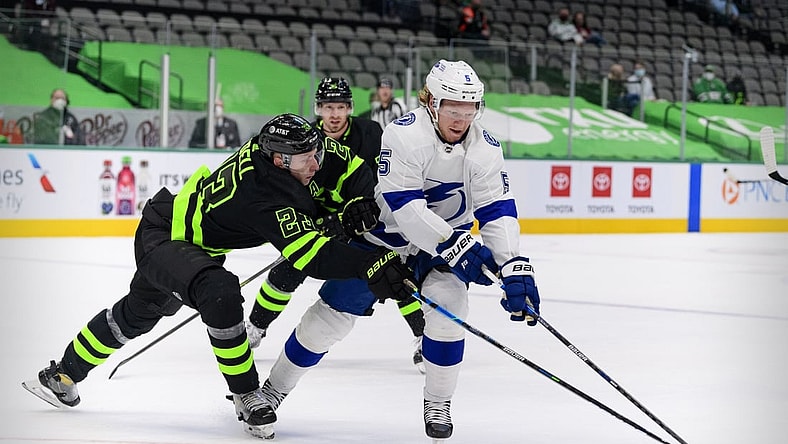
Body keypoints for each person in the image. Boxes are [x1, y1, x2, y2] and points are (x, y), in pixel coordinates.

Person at [22, 113, 416, 440]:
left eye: (316, 153)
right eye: (307, 160)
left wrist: (359, 199)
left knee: (136, 314)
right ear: (279, 161)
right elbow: (310, 256)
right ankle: (247, 394)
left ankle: (61, 375)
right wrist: (367, 261)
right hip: (166, 238)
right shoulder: (261, 194)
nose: (316, 163)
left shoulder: (295, 149)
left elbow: (349, 167)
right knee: (220, 292)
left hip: (194, 241)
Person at [253, 60, 540, 441]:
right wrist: (452, 243)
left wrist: (513, 264)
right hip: (384, 239)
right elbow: (405, 207)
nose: (461, 118)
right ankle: (273, 390)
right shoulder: (404, 134)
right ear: (430, 102)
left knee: (451, 307)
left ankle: (438, 401)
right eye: (453, 108)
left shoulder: (485, 147)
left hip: (440, 246)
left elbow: (497, 208)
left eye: (470, 109)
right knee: (328, 320)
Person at [245, 77, 427, 373]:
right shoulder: (303, 138)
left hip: (365, 219)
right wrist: (314, 222)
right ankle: (255, 327)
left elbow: (383, 178)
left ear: (349, 108)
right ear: (318, 109)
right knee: (286, 271)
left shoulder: (370, 134)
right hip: (318, 221)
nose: (334, 114)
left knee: (391, 271)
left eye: (340, 107)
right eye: (328, 107)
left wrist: (357, 214)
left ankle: (423, 336)